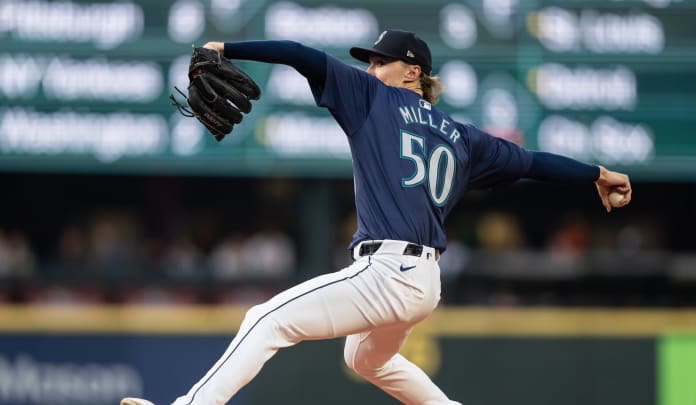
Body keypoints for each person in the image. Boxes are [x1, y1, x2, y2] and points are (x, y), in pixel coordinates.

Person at [122, 29, 631, 405]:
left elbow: (302, 56)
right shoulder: (463, 136)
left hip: (388, 271)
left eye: (380, 62)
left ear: (412, 72)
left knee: (266, 319)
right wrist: (596, 173)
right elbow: (535, 163)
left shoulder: (375, 99)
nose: (368, 71)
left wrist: (225, 49)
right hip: (426, 282)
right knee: (364, 359)